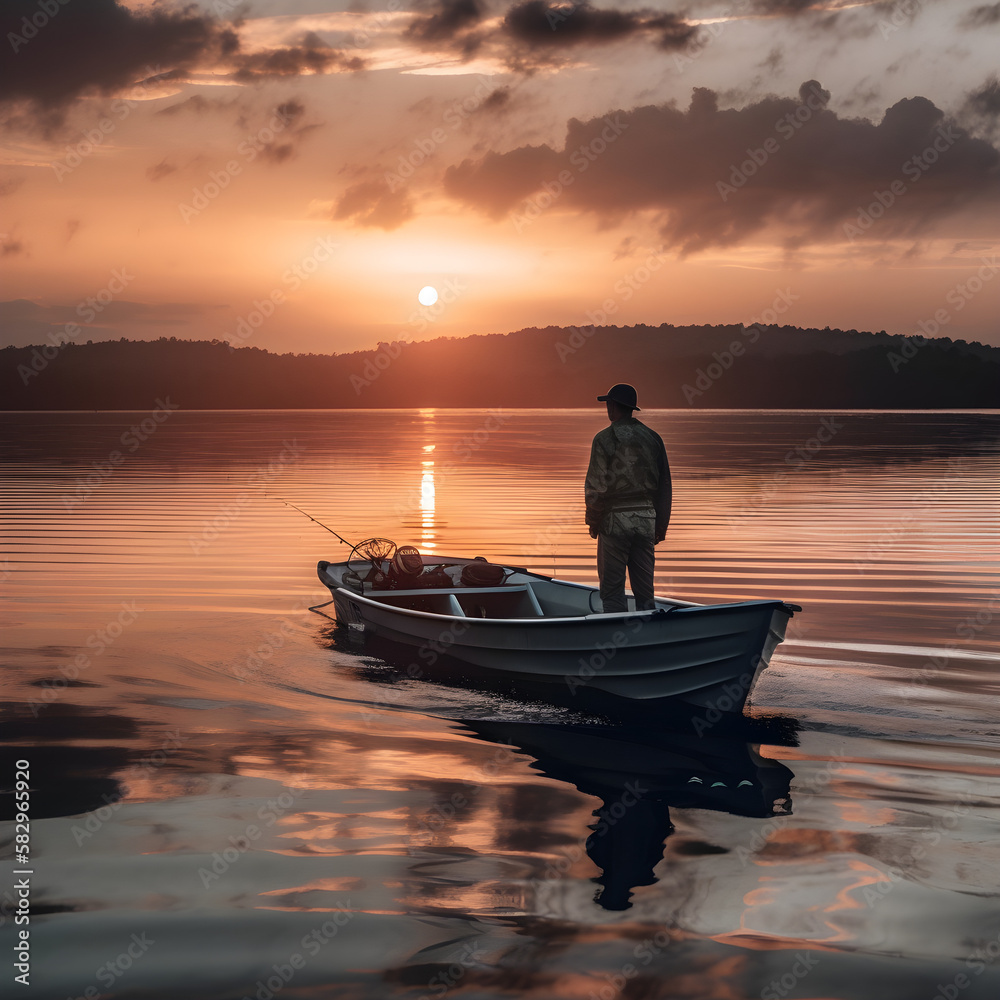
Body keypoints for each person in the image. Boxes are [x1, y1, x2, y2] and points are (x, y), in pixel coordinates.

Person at [585, 383, 671, 613]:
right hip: (646, 520)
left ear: (613, 407)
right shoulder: (653, 438)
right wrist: (660, 526)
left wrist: (593, 521)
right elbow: (664, 488)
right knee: (645, 592)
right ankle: (648, 638)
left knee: (612, 592)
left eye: (608, 404)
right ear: (632, 409)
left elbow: (596, 488)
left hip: (614, 522)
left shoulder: (604, 439)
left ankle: (615, 642)